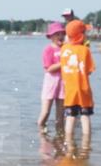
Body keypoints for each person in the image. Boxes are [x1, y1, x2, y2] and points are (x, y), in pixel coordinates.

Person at [60, 19, 94, 152]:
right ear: (81, 35)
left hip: (70, 90)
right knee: (85, 116)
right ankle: (86, 146)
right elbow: (89, 71)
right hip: (83, 89)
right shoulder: (85, 50)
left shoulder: (63, 49)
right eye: (84, 32)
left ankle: (69, 146)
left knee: (70, 116)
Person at [37, 22, 66, 136]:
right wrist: (63, 62)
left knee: (60, 114)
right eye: (57, 34)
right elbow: (48, 68)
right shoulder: (48, 50)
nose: (60, 36)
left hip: (63, 83)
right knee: (46, 112)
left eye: (61, 34)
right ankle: (40, 133)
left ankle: (60, 136)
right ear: (51, 36)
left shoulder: (65, 48)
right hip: (51, 82)